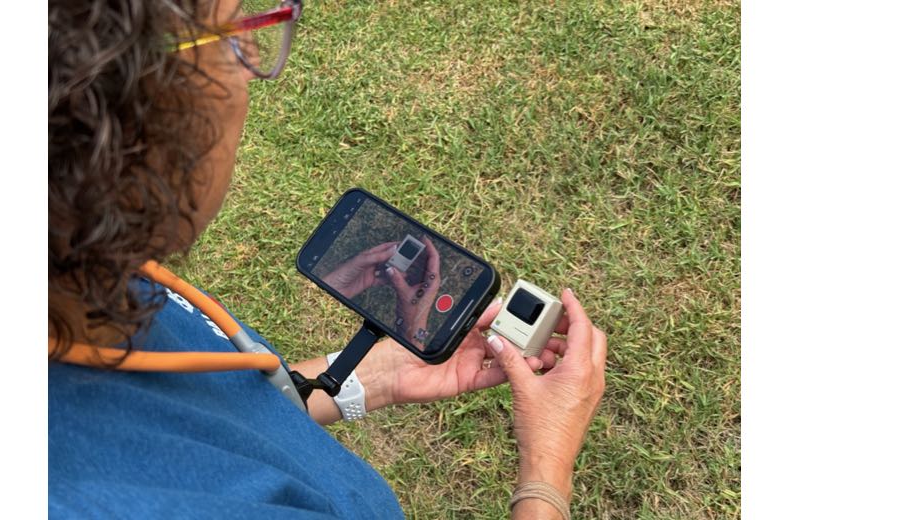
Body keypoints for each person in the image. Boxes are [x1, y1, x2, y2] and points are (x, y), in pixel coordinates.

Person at [48, 1, 607, 518]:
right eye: (229, 38)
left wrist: (377, 375)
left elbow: (220, 416)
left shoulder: (81, 265)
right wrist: (546, 468)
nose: (252, 66)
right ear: (115, 124)